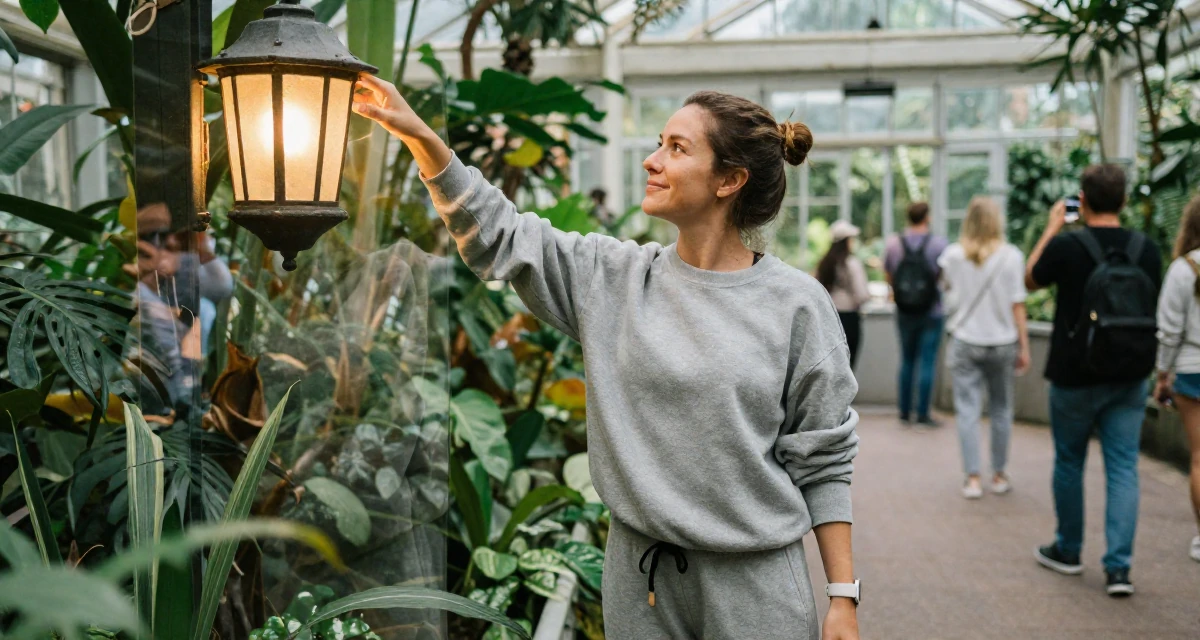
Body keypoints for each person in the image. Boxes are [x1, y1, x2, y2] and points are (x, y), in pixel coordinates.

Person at [353, 75, 862, 640]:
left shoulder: (796, 305)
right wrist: (421, 137)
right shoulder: (613, 278)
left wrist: (843, 597)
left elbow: (823, 458)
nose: (652, 160)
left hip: (754, 586)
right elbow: (501, 235)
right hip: (639, 583)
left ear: (730, 179)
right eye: (659, 143)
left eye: (677, 148)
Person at [1025, 164, 1162, 597]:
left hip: (1074, 374)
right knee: (1123, 465)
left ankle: (1068, 550)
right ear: (1124, 200)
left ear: (1081, 200)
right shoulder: (1146, 249)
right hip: (1130, 374)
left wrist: (1052, 227)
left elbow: (1029, 279)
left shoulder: (1068, 246)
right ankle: (1119, 569)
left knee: (1070, 461)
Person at [938, 197, 1030, 499]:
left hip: (965, 339)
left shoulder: (953, 255)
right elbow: (1018, 305)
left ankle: (973, 479)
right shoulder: (1012, 256)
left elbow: (947, 292)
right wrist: (1024, 346)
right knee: (1002, 409)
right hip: (1003, 342)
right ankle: (999, 475)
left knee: (967, 411)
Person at [1151, 194, 1200, 564]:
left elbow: (1169, 332)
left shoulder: (1184, 269)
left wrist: (1162, 375)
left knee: (1199, 458)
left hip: (1192, 367)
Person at [884, 202, 948, 428]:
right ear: (927, 217)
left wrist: (900, 294)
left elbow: (888, 273)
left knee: (907, 359)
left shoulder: (894, 243)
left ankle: (904, 412)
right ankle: (922, 414)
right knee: (927, 361)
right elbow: (943, 276)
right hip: (932, 310)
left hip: (904, 310)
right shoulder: (938, 244)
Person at [816, 220, 870, 369]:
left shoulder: (824, 263)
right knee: (847, 366)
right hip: (849, 318)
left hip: (828, 317)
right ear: (846, 241)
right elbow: (861, 294)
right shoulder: (851, 263)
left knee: (831, 366)